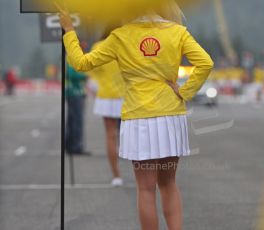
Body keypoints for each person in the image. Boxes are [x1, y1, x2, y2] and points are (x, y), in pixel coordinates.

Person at [57, 1, 214, 229]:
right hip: (171, 115)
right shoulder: (177, 31)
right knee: (169, 183)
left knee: (146, 189)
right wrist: (185, 92)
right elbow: (206, 63)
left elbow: (81, 63)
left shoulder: (120, 36)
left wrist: (69, 31)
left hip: (139, 117)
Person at [88, 29, 126, 187]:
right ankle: (144, 175)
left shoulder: (98, 46)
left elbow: (91, 70)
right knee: (132, 135)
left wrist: (99, 83)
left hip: (106, 96)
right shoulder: (125, 43)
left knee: (111, 136)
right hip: (128, 95)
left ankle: (116, 176)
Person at [65, 64, 90, 155]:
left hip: (75, 93)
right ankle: (76, 146)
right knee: (77, 121)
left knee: (72, 121)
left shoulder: (71, 57)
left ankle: (70, 145)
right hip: (74, 93)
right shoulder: (71, 58)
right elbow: (71, 74)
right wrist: (85, 76)